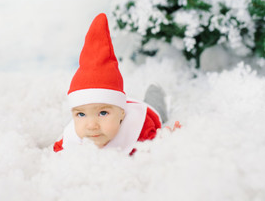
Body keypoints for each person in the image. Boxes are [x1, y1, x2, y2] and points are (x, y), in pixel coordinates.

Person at [53, 13, 180, 155]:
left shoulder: (140, 129)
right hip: (116, 99)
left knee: (157, 105)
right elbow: (60, 149)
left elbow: (159, 143)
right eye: (81, 114)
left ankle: (156, 88)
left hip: (145, 110)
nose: (91, 125)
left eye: (102, 113)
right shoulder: (74, 135)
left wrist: (168, 135)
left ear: (122, 114)